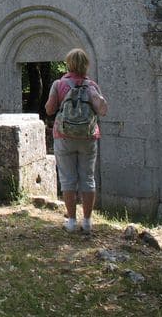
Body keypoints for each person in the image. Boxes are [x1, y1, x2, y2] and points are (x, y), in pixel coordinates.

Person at [44, 48, 108, 234]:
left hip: (64, 136)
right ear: (86, 64)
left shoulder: (59, 84)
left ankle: (71, 221)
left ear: (68, 64)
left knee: (67, 179)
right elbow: (102, 110)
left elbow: (49, 109)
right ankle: (87, 222)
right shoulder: (92, 86)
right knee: (88, 178)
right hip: (88, 137)